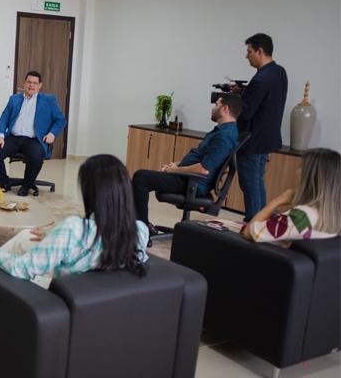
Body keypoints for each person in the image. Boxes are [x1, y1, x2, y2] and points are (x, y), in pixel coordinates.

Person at [0, 154, 148, 286]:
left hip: (57, 294)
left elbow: (21, 269)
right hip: (88, 288)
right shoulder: (139, 230)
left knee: (5, 264)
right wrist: (52, 237)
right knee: (26, 236)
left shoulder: (74, 229)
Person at [132, 95, 242, 232]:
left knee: (141, 177)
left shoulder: (225, 136)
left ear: (225, 109)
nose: (213, 108)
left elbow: (203, 169)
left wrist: (174, 170)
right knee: (138, 182)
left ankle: (142, 229)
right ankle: (141, 224)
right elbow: (199, 158)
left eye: (216, 105)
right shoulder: (221, 131)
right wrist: (176, 165)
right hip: (187, 178)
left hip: (193, 183)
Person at [234, 33, 288, 220]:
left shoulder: (260, 78)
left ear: (260, 51)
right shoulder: (279, 72)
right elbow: (265, 101)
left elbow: (246, 112)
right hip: (267, 138)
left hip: (252, 139)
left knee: (250, 184)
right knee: (257, 181)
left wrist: (232, 103)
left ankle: (253, 223)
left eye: (249, 51)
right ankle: (261, 221)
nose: (246, 56)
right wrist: (244, 91)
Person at [0, 71, 66, 196]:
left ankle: (26, 186)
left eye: (35, 83)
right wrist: (0, 136)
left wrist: (52, 134)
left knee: (36, 156)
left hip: (34, 139)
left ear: (40, 85)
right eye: (29, 82)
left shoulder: (49, 100)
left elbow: (60, 120)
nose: (31, 85)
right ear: (24, 83)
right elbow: (4, 118)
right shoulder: (14, 99)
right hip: (13, 138)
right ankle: (4, 183)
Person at [244, 148, 340, 243]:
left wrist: (278, 200)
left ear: (310, 177)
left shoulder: (301, 216)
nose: (296, 171)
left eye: (300, 167)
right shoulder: (334, 217)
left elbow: (248, 232)